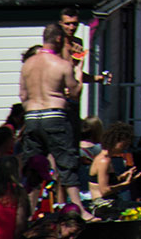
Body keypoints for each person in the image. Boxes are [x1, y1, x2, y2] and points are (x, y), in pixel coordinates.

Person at [18, 23, 91, 217]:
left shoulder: (27, 64)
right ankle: (79, 210)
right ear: (59, 39)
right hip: (56, 116)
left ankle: (26, 213)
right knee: (66, 163)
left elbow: (23, 96)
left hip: (32, 116)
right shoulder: (62, 64)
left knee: (32, 168)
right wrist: (78, 70)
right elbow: (75, 92)